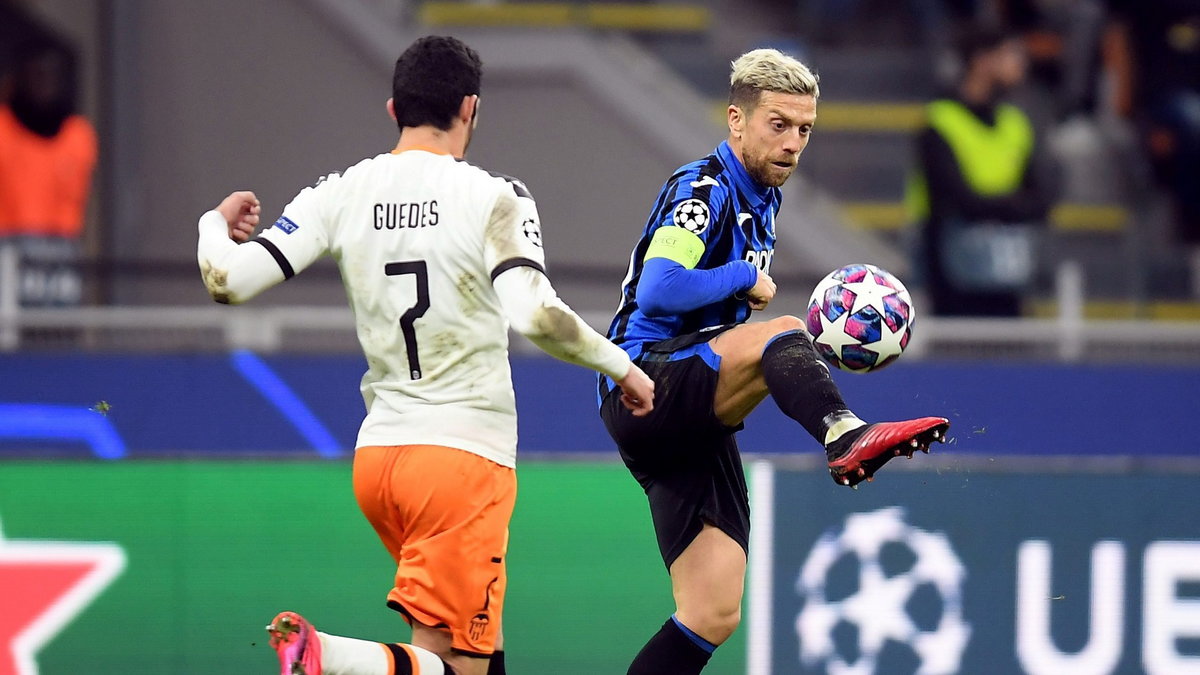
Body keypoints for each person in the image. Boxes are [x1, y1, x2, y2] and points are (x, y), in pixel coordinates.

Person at [195, 36, 655, 675]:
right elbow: (536, 315)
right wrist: (622, 365)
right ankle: (328, 657)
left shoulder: (340, 190)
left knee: (480, 653)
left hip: (381, 458)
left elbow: (231, 281)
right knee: (447, 667)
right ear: (470, 107)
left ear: (393, 109)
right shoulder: (495, 196)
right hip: (461, 462)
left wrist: (212, 225)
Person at [597, 48, 950, 675]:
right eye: (777, 125)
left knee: (712, 611)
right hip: (642, 380)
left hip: (690, 418)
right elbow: (659, 287)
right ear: (737, 119)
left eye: (805, 129)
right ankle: (845, 434)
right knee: (782, 329)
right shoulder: (702, 190)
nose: (793, 143)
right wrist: (741, 278)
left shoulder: (766, 198)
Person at [907, 24, 1057, 317]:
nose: (1020, 64)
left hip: (1010, 268)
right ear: (982, 61)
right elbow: (957, 199)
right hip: (951, 271)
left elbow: (1041, 196)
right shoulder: (939, 122)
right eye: (1011, 55)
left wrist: (994, 207)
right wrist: (1012, 206)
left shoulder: (1016, 123)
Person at [0, 36, 97, 311]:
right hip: (7, 250)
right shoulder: (3, 130)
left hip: (61, 251)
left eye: (51, 75)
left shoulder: (79, 136)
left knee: (58, 335)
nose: (44, 84)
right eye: (36, 74)